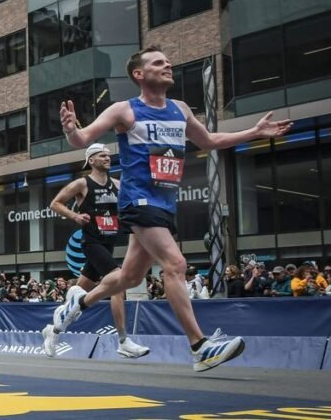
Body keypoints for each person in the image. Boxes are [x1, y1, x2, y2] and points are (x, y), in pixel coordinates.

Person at [47, 45, 291, 372]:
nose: (167, 65)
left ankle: (77, 304)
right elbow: (83, 139)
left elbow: (209, 141)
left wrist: (255, 132)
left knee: (130, 277)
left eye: (168, 62)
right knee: (175, 263)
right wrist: (70, 129)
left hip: (164, 204)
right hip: (137, 202)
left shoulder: (180, 110)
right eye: (158, 63)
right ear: (139, 74)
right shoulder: (125, 110)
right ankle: (199, 347)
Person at [43, 143, 149, 359]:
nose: (108, 158)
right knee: (117, 283)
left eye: (109, 156)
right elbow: (55, 203)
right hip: (91, 243)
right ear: (91, 160)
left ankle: (53, 331)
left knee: (75, 304)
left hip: (109, 242)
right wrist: (74, 216)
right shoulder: (82, 184)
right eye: (102, 156)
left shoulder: (118, 185)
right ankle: (123, 341)